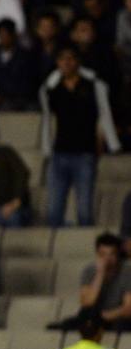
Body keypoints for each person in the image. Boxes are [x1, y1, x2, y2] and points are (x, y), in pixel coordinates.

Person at [40, 47, 120, 228]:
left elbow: (104, 113)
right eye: (62, 59)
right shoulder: (52, 88)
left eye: (70, 58)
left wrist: (106, 139)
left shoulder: (92, 86)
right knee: (54, 211)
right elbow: (47, 118)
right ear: (57, 63)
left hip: (84, 154)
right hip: (59, 153)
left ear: (78, 62)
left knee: (84, 211)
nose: (66, 63)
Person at [77, 233, 131, 332]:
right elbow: (87, 303)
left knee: (122, 324)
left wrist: (102, 316)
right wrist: (100, 274)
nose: (107, 259)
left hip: (118, 319)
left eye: (111, 254)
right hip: (95, 318)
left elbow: (128, 309)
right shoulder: (89, 270)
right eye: (103, 255)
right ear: (97, 255)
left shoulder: (127, 271)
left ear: (118, 255)